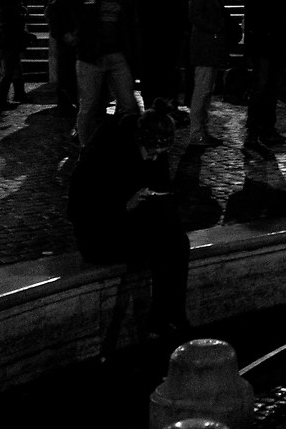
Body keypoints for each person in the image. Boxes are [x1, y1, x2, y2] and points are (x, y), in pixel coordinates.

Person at [67, 109, 192, 348]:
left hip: (132, 225)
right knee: (165, 243)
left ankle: (169, 317)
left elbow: (162, 186)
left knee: (176, 240)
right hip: (99, 233)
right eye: (151, 153)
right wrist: (124, 204)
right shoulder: (104, 152)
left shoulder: (153, 148)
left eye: (160, 154)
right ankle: (163, 319)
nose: (154, 159)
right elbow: (79, 207)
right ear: (139, 141)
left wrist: (161, 198)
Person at [50, 0, 141, 150]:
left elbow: (133, 28)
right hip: (90, 57)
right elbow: (54, 9)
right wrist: (64, 34)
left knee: (128, 105)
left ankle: (128, 148)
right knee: (88, 107)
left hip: (117, 56)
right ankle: (86, 149)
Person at [240, 0, 286, 156]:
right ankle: (253, 132)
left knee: (273, 87)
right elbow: (262, 1)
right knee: (261, 86)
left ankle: (267, 128)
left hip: (276, 40)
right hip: (262, 40)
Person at [183, 0, 236, 145]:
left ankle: (201, 130)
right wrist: (216, 28)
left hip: (210, 46)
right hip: (205, 46)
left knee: (206, 89)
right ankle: (196, 132)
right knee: (202, 89)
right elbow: (195, 15)